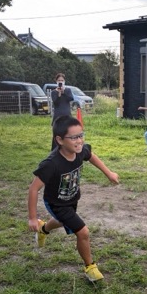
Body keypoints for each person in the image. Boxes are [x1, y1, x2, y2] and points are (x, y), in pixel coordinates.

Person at [28, 115, 119, 282]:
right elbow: (33, 189)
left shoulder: (80, 151)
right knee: (83, 232)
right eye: (73, 137)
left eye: (81, 135)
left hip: (72, 198)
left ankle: (44, 229)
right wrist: (32, 218)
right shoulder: (51, 163)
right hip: (56, 203)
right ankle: (90, 267)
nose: (79, 141)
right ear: (60, 140)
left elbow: (91, 156)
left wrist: (109, 173)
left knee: (62, 221)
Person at [50, 73, 74, 150]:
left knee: (68, 133)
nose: (60, 81)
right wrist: (59, 93)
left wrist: (63, 92)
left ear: (64, 81)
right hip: (57, 115)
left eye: (62, 80)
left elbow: (71, 98)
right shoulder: (53, 92)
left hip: (67, 115)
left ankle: (67, 148)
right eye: (59, 80)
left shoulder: (68, 90)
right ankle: (55, 150)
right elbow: (55, 102)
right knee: (56, 134)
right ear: (56, 81)